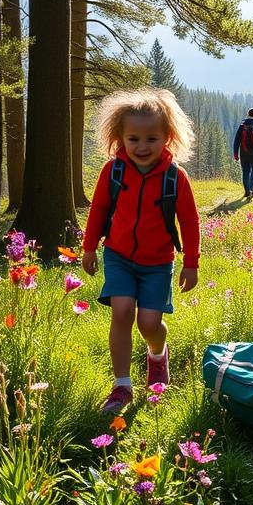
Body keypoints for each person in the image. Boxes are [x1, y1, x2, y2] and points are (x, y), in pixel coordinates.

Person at [82, 88, 201, 414]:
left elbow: (189, 221)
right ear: (120, 137)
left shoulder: (176, 177)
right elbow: (98, 210)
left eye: (152, 138)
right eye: (133, 139)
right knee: (121, 313)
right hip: (119, 256)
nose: (142, 146)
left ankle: (157, 354)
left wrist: (191, 263)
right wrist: (89, 247)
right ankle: (122, 386)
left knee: (150, 323)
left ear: (167, 137)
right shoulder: (113, 171)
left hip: (158, 262)